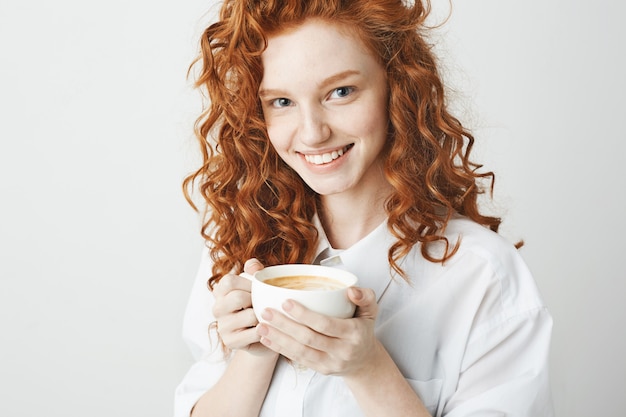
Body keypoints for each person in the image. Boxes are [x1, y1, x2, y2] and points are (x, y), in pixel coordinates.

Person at [175, 0, 554, 416]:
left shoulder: (481, 274)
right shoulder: (240, 246)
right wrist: (254, 354)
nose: (313, 132)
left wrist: (368, 369)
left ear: (397, 89)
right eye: (281, 102)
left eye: (341, 92)